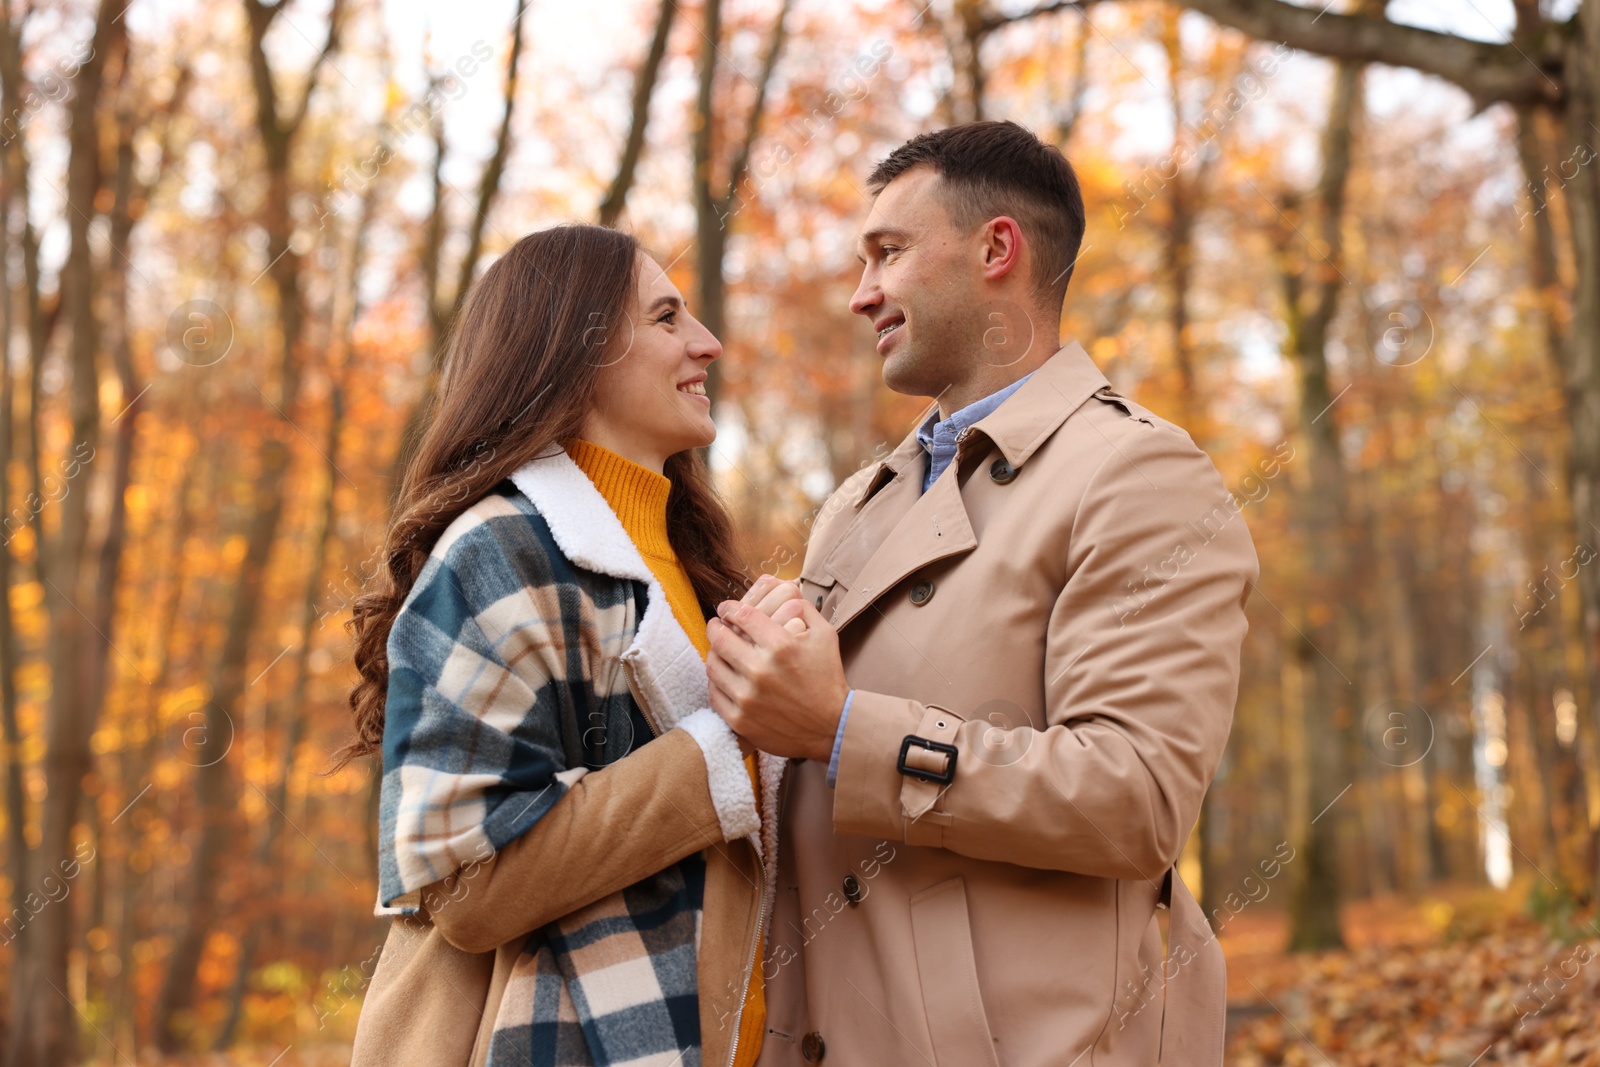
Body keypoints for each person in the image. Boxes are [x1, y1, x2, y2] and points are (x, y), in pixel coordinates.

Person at [706, 121, 1258, 1065]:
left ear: (997, 248)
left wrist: (843, 729)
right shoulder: (858, 500)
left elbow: (1137, 797)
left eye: (888, 252)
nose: (859, 293)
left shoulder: (1137, 473)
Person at [345, 224, 799, 1067]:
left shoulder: (691, 562)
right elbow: (466, 887)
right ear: (574, 350)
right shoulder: (497, 550)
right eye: (667, 318)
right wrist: (727, 746)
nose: (708, 343)